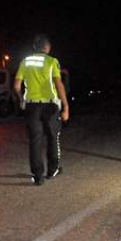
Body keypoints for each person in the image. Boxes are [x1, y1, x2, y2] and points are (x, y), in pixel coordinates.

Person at [14, 34, 70, 185]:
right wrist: (65, 106)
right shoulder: (52, 61)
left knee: (35, 140)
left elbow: (16, 85)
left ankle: (38, 176)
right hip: (49, 106)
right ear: (48, 47)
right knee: (53, 137)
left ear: (34, 47)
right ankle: (52, 170)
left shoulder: (25, 61)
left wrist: (21, 100)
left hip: (31, 106)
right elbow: (59, 84)